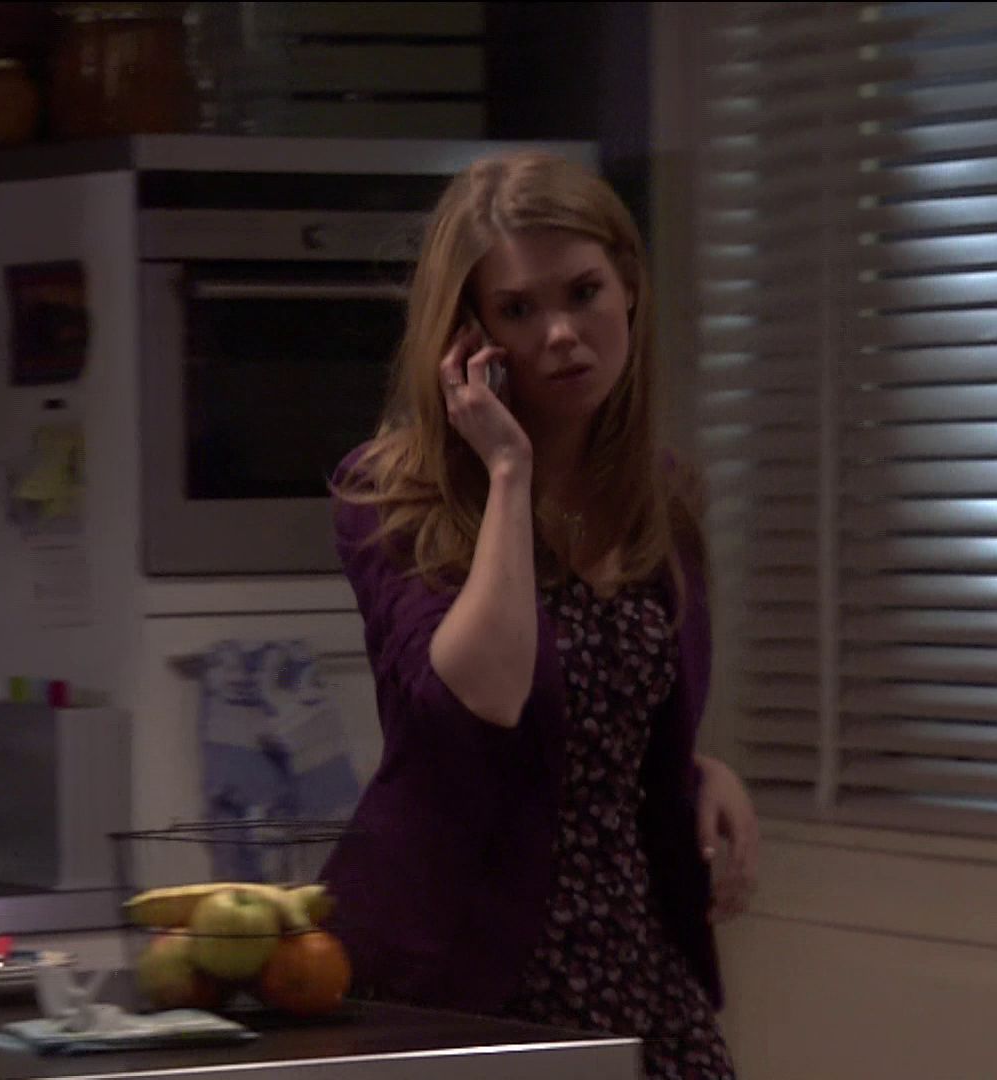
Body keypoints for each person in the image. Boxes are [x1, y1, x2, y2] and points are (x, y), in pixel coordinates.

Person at [317, 152, 758, 1080]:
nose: (561, 334)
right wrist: (509, 472)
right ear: (468, 335)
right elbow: (482, 696)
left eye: (584, 292)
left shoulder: (662, 498)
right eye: (519, 309)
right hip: (462, 968)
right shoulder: (394, 495)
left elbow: (603, 720)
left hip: (635, 953)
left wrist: (694, 768)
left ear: (628, 287)